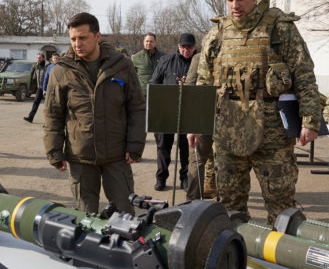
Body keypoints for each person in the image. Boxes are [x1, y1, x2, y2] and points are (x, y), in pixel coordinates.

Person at [187, 0, 321, 224]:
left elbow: (304, 76)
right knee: (228, 204)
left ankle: (281, 255)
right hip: (227, 130)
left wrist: (310, 121)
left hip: (272, 132)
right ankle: (233, 253)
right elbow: (203, 83)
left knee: (280, 204)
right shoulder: (217, 35)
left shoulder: (280, 29)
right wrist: (195, 124)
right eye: (230, 0)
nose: (235, 5)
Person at [43, 12, 146, 214]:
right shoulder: (61, 71)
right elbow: (53, 114)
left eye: (83, 38)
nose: (77, 43)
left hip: (116, 156)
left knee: (124, 214)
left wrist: (135, 144)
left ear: (97, 36)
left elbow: (137, 108)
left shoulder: (121, 65)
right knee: (86, 217)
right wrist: (54, 151)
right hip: (80, 156)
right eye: (73, 39)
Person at [149, 33, 197, 191]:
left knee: (185, 148)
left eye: (189, 47)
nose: (186, 50)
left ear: (194, 47)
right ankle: (161, 178)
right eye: (183, 47)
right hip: (167, 111)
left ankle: (184, 178)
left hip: (189, 111)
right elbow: (154, 83)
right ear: (178, 47)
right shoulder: (166, 61)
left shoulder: (199, 62)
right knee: (163, 146)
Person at [184, 53, 216, 200]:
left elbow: (190, 86)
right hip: (230, 115)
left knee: (197, 159)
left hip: (203, 114)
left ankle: (193, 205)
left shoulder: (200, 57)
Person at [23, 53, 47, 123]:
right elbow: (33, 77)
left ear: (43, 58)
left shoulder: (47, 66)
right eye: (37, 58)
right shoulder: (36, 66)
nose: (38, 59)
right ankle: (30, 118)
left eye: (39, 58)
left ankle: (48, 122)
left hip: (47, 88)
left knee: (48, 106)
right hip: (39, 88)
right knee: (35, 102)